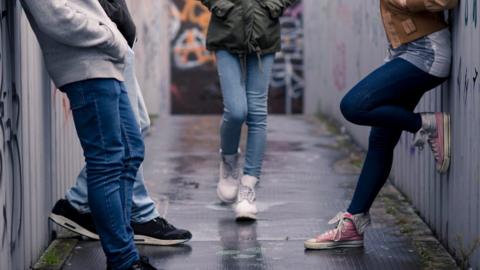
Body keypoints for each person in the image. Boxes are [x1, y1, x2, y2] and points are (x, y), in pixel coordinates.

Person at [304, 0, 458, 250]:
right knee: (380, 140)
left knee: (354, 105)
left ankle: (424, 123)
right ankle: (353, 224)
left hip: (426, 52)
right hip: (404, 52)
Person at [19, 0, 156, 268]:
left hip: (105, 63)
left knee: (130, 153)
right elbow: (54, 16)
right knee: (105, 163)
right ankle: (123, 260)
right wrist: (111, 37)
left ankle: (125, 252)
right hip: (86, 65)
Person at [49, 0, 192, 248]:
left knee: (131, 143)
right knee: (112, 156)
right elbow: (54, 15)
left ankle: (86, 207)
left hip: (113, 44)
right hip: (100, 47)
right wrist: (111, 36)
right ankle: (129, 223)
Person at [200, 0, 297, 220]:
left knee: (257, 112)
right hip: (226, 29)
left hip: (264, 30)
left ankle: (248, 187)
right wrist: (220, 5)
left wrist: (273, 6)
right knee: (235, 110)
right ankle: (229, 161)